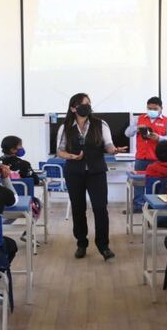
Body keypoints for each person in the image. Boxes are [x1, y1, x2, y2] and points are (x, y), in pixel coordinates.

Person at [57, 93, 128, 260]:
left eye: (89, 103)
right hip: (74, 172)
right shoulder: (65, 127)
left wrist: (114, 150)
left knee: (100, 208)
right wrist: (71, 157)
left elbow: (108, 145)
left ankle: (103, 246)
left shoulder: (100, 124)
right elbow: (60, 150)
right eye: (83, 104)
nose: (87, 106)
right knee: (78, 208)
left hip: (96, 172)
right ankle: (81, 243)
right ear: (73, 108)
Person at [125, 96, 167, 211]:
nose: (152, 110)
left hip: (158, 159)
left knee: (158, 184)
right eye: (149, 108)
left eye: (155, 108)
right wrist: (137, 128)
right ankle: (138, 206)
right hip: (141, 158)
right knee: (138, 184)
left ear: (161, 108)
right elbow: (127, 133)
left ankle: (155, 208)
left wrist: (159, 138)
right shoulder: (139, 119)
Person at [0, 135, 42, 243]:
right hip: (21, 202)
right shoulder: (23, 164)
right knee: (37, 203)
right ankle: (27, 233)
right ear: (13, 149)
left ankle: (0, 225)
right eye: (20, 146)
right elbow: (35, 181)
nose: (22, 148)